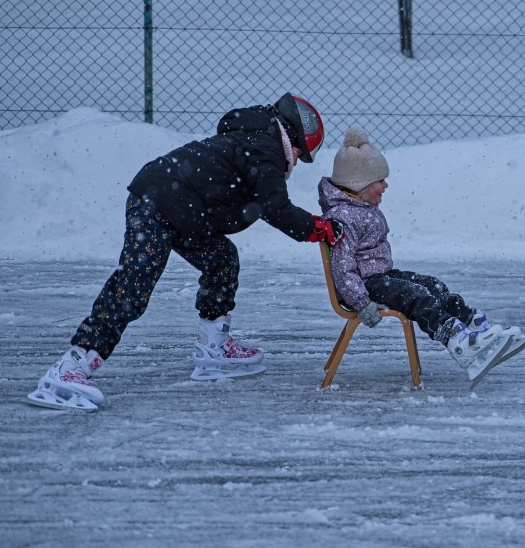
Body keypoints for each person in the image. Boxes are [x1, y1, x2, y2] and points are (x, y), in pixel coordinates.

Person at [26, 93, 345, 411]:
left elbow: (260, 201)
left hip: (184, 211)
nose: (296, 161)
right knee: (135, 282)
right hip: (157, 202)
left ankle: (213, 349)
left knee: (222, 258)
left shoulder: (255, 138)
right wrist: (316, 228)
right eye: (300, 153)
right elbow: (274, 207)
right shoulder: (266, 146)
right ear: (294, 138)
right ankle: (73, 364)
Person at [317, 128, 525, 388]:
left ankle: (473, 326)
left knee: (431, 285)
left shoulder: (359, 209)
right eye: (380, 180)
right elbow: (343, 267)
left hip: (378, 278)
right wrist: (360, 302)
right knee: (415, 294)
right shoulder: (343, 218)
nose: (386, 186)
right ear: (359, 184)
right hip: (364, 287)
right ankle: (458, 343)